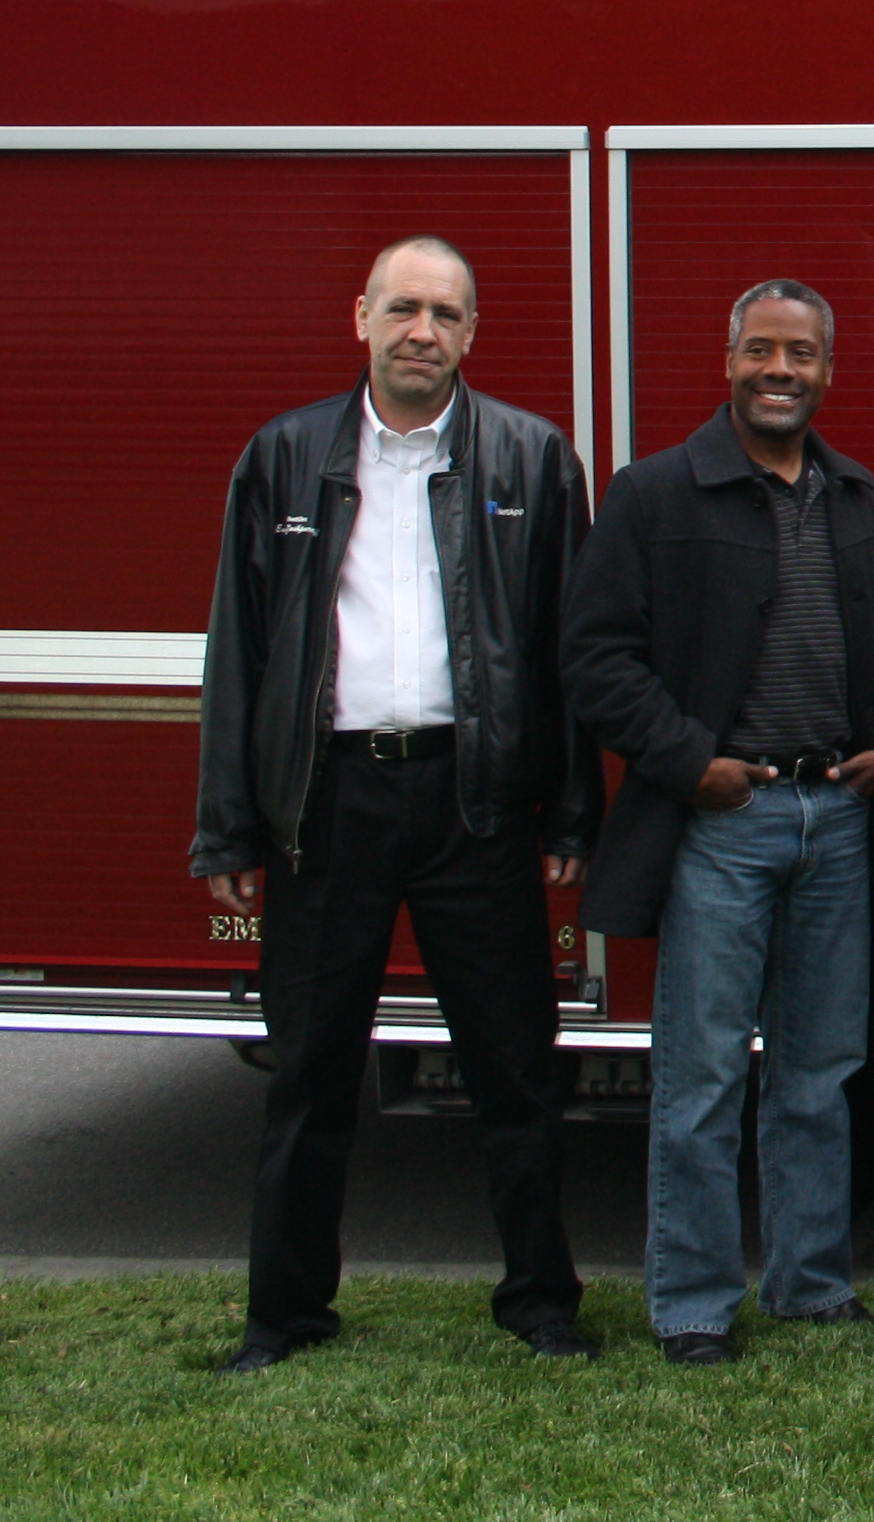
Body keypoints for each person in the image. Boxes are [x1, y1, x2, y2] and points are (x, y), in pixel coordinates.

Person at [190, 235, 602, 1372]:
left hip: (478, 802)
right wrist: (229, 824)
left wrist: (572, 812)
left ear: (472, 334)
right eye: (405, 309)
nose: (424, 332)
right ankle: (283, 1318)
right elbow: (241, 651)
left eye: (447, 314)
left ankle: (542, 1306)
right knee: (310, 1073)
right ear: (361, 317)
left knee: (516, 1069)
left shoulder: (531, 457)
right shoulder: (283, 458)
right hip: (328, 806)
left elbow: (566, 649)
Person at [563, 279, 874, 1367]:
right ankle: (694, 1307)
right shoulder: (654, 494)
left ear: (827, 371)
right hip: (723, 823)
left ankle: (811, 1286)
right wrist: (690, 764)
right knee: (703, 1077)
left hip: (836, 819)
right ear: (728, 362)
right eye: (762, 350)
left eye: (801, 354)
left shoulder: (853, 495)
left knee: (821, 1073)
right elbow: (595, 660)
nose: (780, 371)